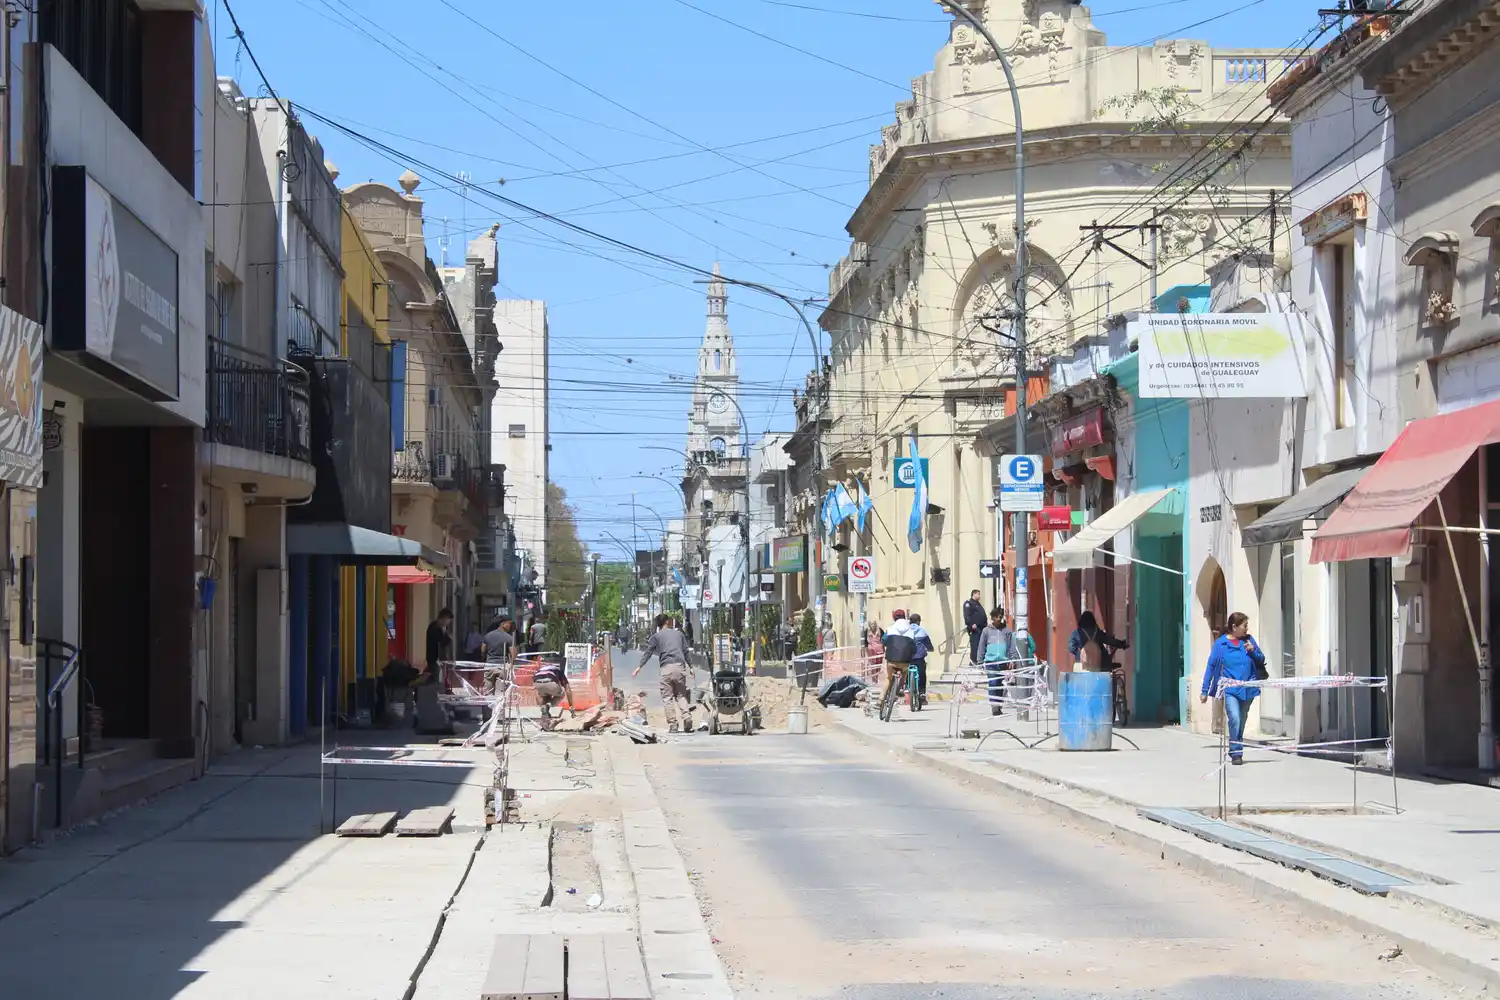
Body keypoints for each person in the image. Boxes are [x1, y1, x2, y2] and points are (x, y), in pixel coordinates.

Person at [1200, 611, 1264, 765]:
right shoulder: (1221, 644)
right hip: (1230, 690)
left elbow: (1261, 659)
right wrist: (1204, 690)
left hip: (1249, 687)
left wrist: (1253, 651)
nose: (1246, 629)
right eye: (1244, 626)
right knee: (1234, 718)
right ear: (1234, 627)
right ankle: (1236, 752)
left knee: (1241, 720)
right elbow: (1211, 666)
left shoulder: (1249, 641)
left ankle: (1236, 746)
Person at [633, 613, 697, 733]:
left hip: (666, 668)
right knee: (681, 695)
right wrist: (691, 667)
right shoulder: (679, 634)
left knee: (668, 698)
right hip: (680, 666)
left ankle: (673, 725)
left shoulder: (656, 637)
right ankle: (687, 717)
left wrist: (639, 666)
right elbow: (686, 651)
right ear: (667, 622)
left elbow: (648, 652)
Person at [880, 610, 919, 712]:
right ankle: (897, 691)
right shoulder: (911, 630)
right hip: (905, 660)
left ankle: (880, 700)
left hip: (891, 659)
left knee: (888, 678)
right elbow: (914, 648)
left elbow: (883, 641)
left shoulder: (890, 628)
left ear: (894, 618)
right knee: (904, 674)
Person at [531, 654, 575, 726]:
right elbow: (568, 689)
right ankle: (547, 706)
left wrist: (540, 704)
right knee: (562, 693)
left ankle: (544, 711)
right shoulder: (557, 670)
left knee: (545, 695)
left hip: (537, 681)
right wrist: (571, 706)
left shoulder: (540, 670)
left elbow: (535, 690)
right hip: (550, 681)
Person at [482, 616, 517, 696]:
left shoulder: (488, 635)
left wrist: (485, 661)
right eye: (509, 623)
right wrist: (511, 665)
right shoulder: (509, 638)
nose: (510, 626)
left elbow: (483, 651)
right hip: (502, 667)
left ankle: (488, 708)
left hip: (489, 667)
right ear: (503, 624)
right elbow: (513, 655)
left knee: (487, 691)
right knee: (500, 693)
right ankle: (498, 708)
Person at [908, 612, 935, 706]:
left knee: (904, 671)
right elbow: (928, 643)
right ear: (919, 622)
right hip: (919, 657)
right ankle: (922, 693)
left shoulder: (905, 630)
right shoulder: (922, 631)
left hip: (907, 657)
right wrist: (931, 649)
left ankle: (904, 688)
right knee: (922, 674)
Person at [425, 608, 454, 684]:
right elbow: (441, 641)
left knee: (436, 677)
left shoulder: (438, 627)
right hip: (434, 658)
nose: (448, 623)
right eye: (448, 621)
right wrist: (448, 637)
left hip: (437, 659)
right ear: (444, 618)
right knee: (435, 678)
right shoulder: (434, 627)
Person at [963, 589, 988, 666]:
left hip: (981, 628)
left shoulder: (977, 604)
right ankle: (974, 661)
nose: (979, 596)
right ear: (974, 594)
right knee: (975, 644)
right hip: (975, 629)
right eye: (978, 594)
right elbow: (967, 616)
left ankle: (980, 660)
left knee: (981, 644)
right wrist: (971, 624)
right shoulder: (969, 603)